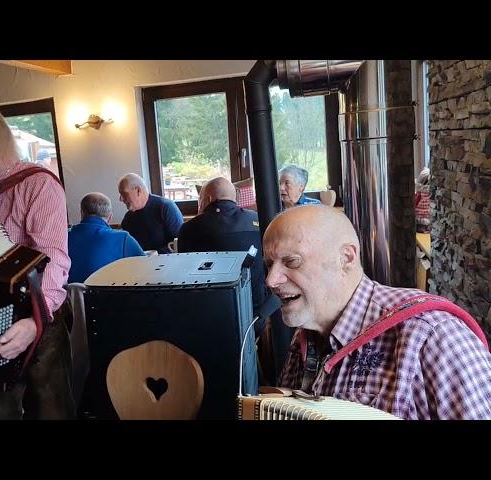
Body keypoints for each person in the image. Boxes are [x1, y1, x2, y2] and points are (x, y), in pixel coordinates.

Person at [263, 204, 491, 419]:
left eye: (292, 261)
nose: (271, 280)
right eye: (269, 265)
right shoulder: (307, 335)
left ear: (346, 257)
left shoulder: (433, 335)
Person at [0, 103, 74, 419]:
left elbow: (54, 260)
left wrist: (35, 321)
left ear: (4, 137)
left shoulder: (39, 184)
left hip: (41, 315)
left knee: (51, 411)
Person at [178, 177, 271, 336]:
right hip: (255, 317)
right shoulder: (259, 221)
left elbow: (184, 279)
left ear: (206, 199)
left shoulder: (188, 230)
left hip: (207, 322)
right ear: (235, 198)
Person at [68, 192, 145, 283]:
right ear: (110, 217)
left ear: (82, 213)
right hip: (110, 295)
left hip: (69, 296)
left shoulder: (63, 237)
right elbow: (145, 269)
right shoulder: (123, 239)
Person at [118, 173, 183, 254]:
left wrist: (153, 254)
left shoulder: (165, 208)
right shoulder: (128, 217)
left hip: (167, 263)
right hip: (138, 263)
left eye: (124, 194)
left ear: (138, 191)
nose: (120, 199)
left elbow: (179, 243)